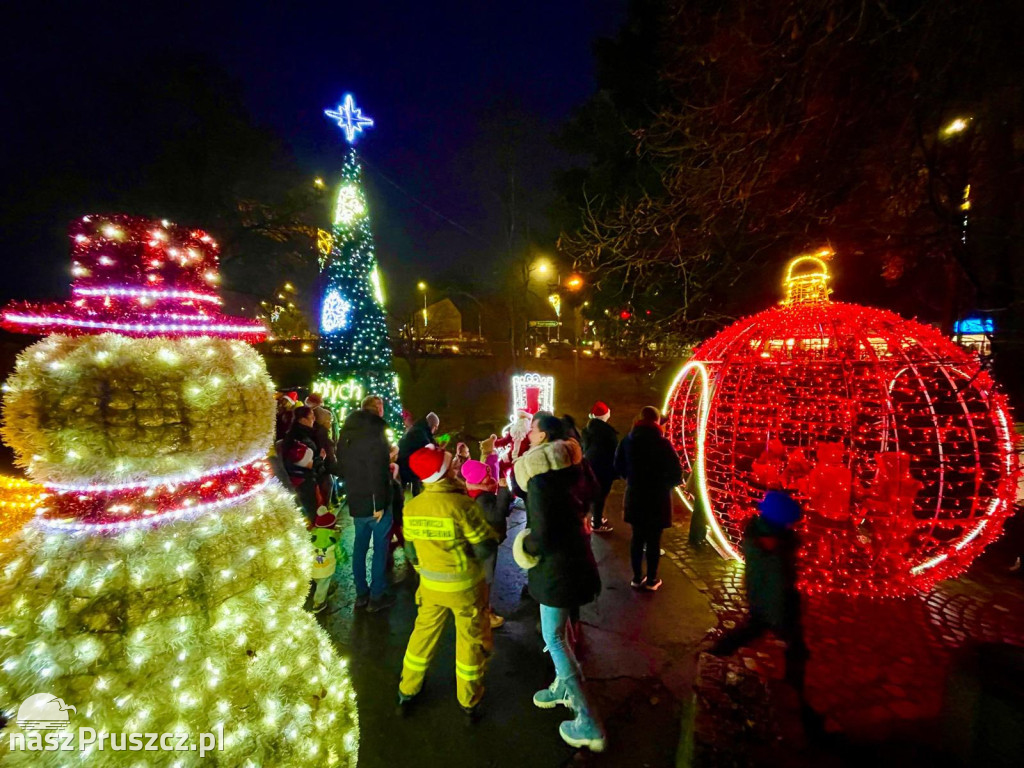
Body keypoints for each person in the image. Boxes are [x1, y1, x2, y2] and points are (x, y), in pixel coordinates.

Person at [513, 411, 605, 752]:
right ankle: (560, 687)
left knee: (553, 636)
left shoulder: (539, 478)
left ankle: (588, 719)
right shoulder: (575, 461)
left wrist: (523, 547)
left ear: (541, 435)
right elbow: (592, 492)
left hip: (556, 567)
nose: (529, 435)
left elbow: (543, 533)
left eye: (532, 430)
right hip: (578, 557)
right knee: (563, 630)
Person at [398, 445, 498, 720]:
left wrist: (423, 570)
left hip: (430, 587)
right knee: (469, 640)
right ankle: (469, 700)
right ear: (442, 474)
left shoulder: (412, 507)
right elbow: (485, 547)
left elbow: (410, 550)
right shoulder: (461, 505)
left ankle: (408, 688)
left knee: (422, 635)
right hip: (465, 588)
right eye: (452, 465)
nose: (457, 469)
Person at [709, 490, 811, 701]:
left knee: (752, 629)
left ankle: (716, 653)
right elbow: (774, 583)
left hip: (765, 601)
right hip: (775, 605)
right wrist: (779, 616)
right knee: (794, 648)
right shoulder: (772, 547)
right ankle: (795, 693)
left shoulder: (759, 534)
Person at [614, 406, 683, 592]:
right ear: (657, 421)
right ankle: (652, 579)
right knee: (653, 541)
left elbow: (617, 465)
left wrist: (630, 478)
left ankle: (637, 577)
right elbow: (677, 474)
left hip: (635, 496)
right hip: (657, 499)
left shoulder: (628, 441)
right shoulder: (663, 444)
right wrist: (664, 484)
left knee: (637, 538)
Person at [338, 395, 395, 612]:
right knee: (380, 548)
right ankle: (377, 595)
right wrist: (379, 503)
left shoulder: (347, 433)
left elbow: (343, 465)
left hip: (356, 498)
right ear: (378, 409)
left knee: (360, 547)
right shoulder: (375, 432)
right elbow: (376, 470)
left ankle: (361, 593)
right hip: (374, 501)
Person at [461, 459, 513, 629]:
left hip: (479, 541)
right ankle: (484, 614)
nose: (490, 476)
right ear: (477, 479)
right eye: (485, 474)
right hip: (486, 542)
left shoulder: (474, 492)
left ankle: (479, 609)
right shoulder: (482, 498)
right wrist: (504, 491)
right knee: (486, 578)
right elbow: (498, 515)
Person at [581, 401, 618, 534]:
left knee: (596, 494)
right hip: (604, 468)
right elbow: (614, 452)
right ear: (605, 415)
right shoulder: (607, 433)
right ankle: (596, 523)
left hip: (590, 466)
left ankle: (596, 518)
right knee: (600, 495)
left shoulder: (588, 429)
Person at [282, 405, 324, 519]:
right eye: (311, 416)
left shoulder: (300, 434)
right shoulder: (301, 437)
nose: (314, 419)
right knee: (310, 512)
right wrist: (320, 458)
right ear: (302, 420)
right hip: (304, 481)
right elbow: (304, 462)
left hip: (304, 479)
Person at [397, 411, 440, 496]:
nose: (435, 430)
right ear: (432, 425)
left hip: (406, 463)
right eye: (435, 427)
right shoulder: (420, 432)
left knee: (409, 487)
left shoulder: (419, 429)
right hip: (406, 464)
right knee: (404, 492)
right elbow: (428, 447)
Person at [309, 507, 341, 613]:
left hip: (312, 568)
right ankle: (318, 603)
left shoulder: (312, 535)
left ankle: (322, 592)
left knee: (319, 582)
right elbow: (340, 552)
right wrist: (342, 560)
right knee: (322, 585)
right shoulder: (333, 538)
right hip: (326, 569)